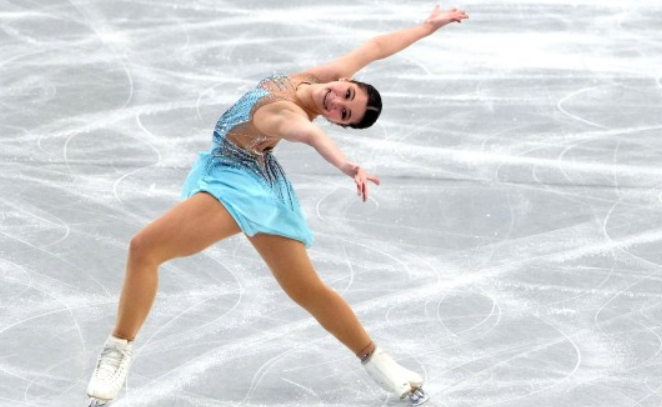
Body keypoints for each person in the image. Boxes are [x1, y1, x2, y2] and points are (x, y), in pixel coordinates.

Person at [86, 5, 468, 407]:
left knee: (144, 249)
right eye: (348, 94)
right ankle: (386, 369)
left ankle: (117, 351)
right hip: (250, 175)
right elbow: (374, 47)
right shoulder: (319, 78)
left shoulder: (287, 113)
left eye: (343, 114)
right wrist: (427, 28)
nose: (336, 101)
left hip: (238, 184)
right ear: (346, 81)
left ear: (338, 123)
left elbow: (309, 135)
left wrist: (346, 165)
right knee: (306, 289)